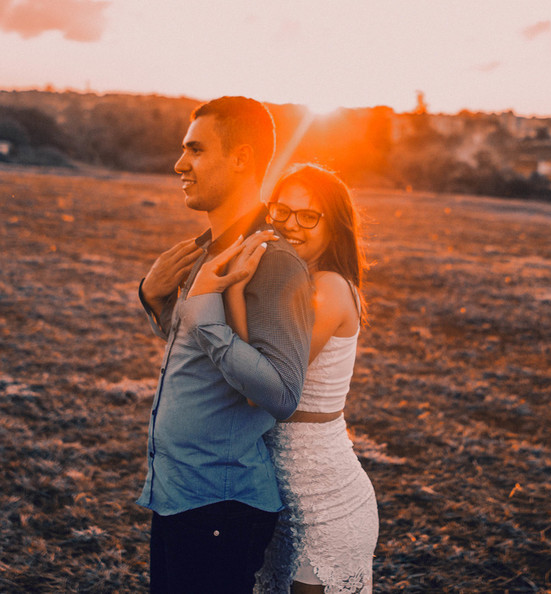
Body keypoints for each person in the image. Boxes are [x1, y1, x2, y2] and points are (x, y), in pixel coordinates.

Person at [136, 96, 314, 594]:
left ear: (241, 159)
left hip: (220, 506)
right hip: (179, 494)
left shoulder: (271, 261)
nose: (180, 165)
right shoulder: (208, 252)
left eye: (195, 150)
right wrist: (153, 298)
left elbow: (281, 393)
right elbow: (203, 351)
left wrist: (202, 308)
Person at [226, 164, 379, 594]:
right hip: (281, 500)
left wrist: (233, 290)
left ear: (335, 225)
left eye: (308, 216)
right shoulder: (293, 278)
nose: (290, 224)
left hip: (326, 504)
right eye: (281, 210)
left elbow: (263, 387)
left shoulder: (327, 288)